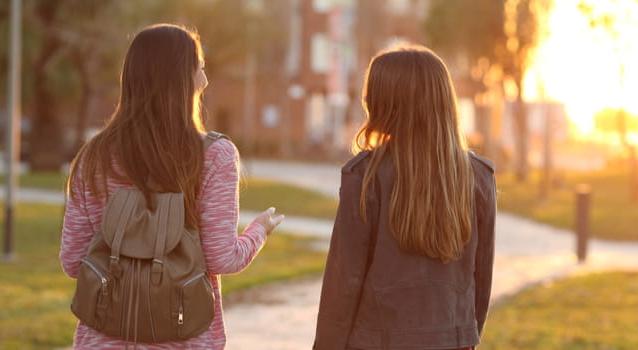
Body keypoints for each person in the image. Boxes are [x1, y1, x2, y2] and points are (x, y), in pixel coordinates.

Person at [59, 24, 283, 349]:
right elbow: (222, 259)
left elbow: (73, 260)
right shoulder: (213, 156)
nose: (205, 81)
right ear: (183, 80)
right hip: (185, 337)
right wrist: (259, 230)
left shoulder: (95, 156)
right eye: (200, 70)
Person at [313, 45, 497, 350]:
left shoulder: (365, 175)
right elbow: (481, 283)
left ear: (385, 104)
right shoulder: (478, 176)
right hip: (451, 340)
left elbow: (343, 284)